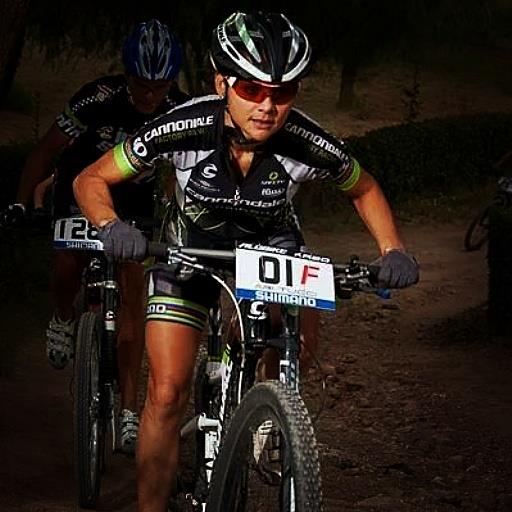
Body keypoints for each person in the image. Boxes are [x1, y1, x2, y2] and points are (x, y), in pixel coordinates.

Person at [73, 11, 419, 511]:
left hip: (270, 250)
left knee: (300, 327)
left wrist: (393, 249)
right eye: (252, 89)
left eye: (283, 92)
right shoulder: (184, 126)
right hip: (188, 251)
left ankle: (272, 407)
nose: (267, 106)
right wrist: (111, 225)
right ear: (222, 84)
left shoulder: (305, 140)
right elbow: (91, 178)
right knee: (166, 394)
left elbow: (362, 187)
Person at [1, 18, 189, 454]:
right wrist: (21, 201)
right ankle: (63, 315)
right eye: (140, 84)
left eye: (159, 87)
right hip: (80, 190)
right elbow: (45, 150)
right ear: (126, 75)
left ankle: (128, 411)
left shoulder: (179, 109)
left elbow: (187, 173)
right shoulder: (97, 97)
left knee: (134, 296)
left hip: (135, 202)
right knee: (68, 261)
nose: (149, 96)